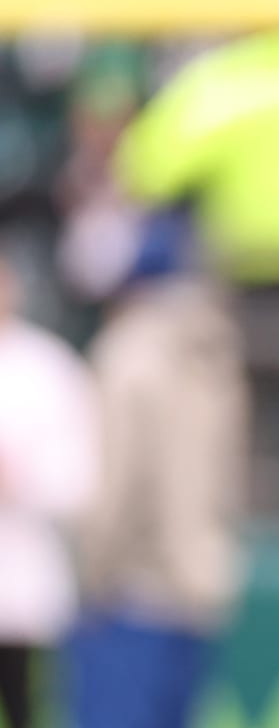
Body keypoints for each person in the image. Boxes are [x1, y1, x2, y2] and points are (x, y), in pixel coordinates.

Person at [66, 215, 249, 728]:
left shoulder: (129, 355)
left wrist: (92, 570)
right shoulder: (217, 354)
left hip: (133, 592)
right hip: (198, 589)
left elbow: (117, 485)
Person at [0, 259, 99, 728]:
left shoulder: (49, 368)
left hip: (24, 592)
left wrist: (20, 479)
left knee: (29, 707)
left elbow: (79, 477)